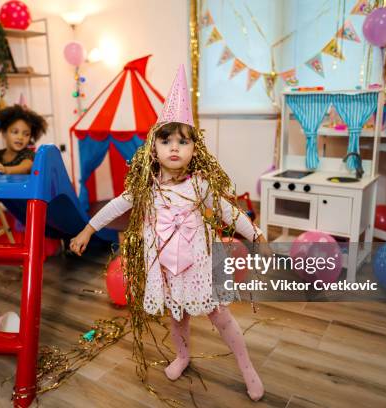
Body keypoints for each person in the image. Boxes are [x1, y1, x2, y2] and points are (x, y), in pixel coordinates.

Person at [70, 65, 266, 401]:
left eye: (182, 141)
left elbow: (226, 209)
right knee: (177, 318)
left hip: (199, 264)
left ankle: (246, 366)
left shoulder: (199, 185)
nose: (174, 147)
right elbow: (117, 206)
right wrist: (88, 229)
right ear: (154, 147)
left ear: (193, 149)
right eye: (166, 139)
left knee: (220, 316)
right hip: (166, 267)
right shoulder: (145, 189)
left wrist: (254, 232)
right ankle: (183, 355)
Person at [0, 104, 47, 175]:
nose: (20, 137)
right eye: (15, 132)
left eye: (26, 134)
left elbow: (25, 168)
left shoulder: (29, 155)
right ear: (4, 133)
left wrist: (5, 170)